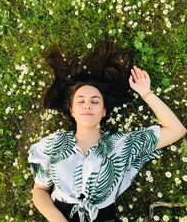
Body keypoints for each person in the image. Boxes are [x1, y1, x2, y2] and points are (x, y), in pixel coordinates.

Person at [28, 38, 186, 222]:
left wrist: (146, 93)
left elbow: (176, 130)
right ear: (72, 110)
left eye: (95, 101)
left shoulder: (123, 144)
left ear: (103, 111)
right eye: (80, 101)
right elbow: (39, 191)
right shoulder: (54, 144)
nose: (87, 105)